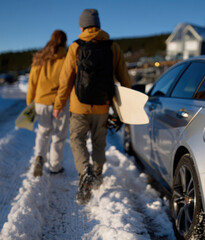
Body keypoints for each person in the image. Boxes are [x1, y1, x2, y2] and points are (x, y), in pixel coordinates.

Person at [53, 9, 132, 204]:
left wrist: (58, 104)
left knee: (77, 139)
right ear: (98, 25)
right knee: (99, 142)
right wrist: (127, 107)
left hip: (79, 106)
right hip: (102, 105)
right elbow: (124, 78)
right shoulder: (113, 47)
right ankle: (96, 176)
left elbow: (65, 80)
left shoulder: (75, 47)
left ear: (82, 26)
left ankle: (84, 172)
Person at [26, 29, 70, 177]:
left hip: (40, 102)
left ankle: (39, 157)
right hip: (60, 103)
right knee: (58, 136)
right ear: (64, 41)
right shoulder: (67, 58)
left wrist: (30, 101)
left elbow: (32, 82)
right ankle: (55, 167)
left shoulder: (40, 58)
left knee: (43, 133)